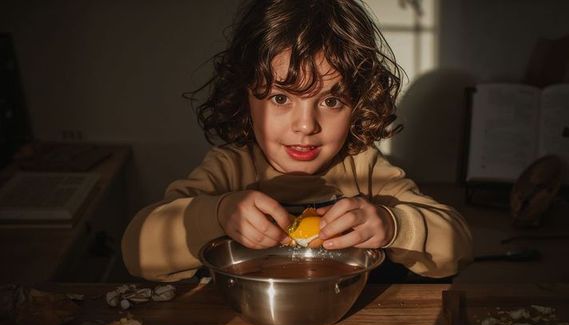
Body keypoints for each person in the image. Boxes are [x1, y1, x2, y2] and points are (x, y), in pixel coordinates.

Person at [122, 0, 473, 282]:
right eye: (280, 98)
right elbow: (136, 251)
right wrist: (217, 213)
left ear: (358, 105)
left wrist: (394, 225)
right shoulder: (230, 168)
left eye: (331, 101)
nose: (305, 126)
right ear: (245, 97)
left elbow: (457, 247)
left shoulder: (364, 168)